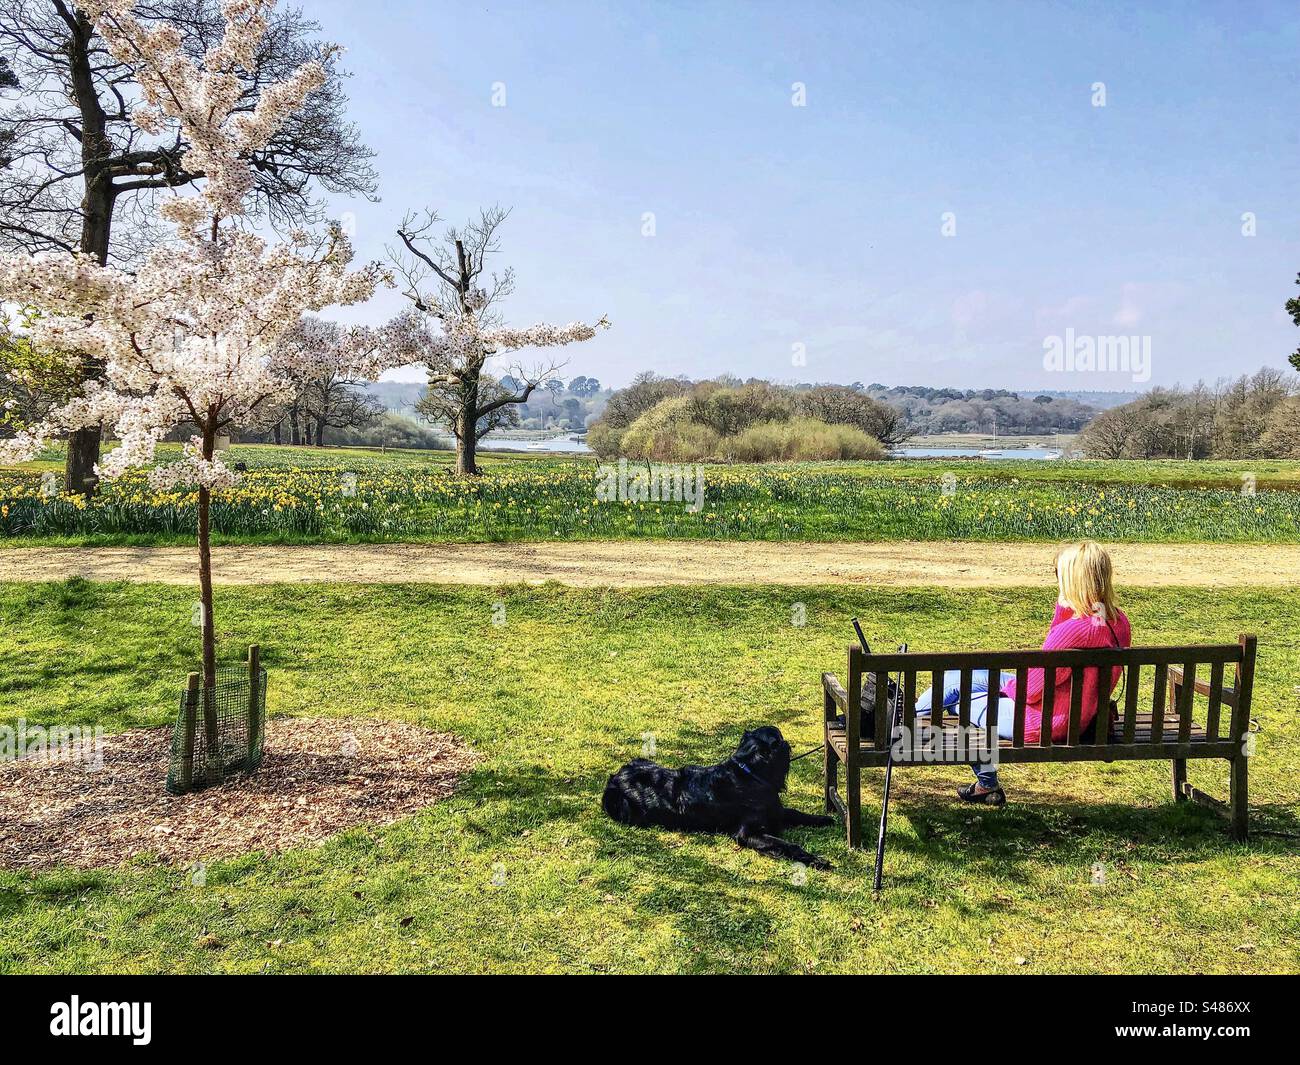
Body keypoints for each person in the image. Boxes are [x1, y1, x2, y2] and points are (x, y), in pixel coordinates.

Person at [913, 540, 1132, 806]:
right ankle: (911, 711)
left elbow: (1030, 690)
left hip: (1042, 721)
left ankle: (899, 718)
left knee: (960, 699)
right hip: (1077, 713)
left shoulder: (1073, 631)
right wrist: (1066, 609)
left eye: (1060, 576)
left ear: (1074, 580)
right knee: (964, 675)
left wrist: (1007, 689)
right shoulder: (1118, 622)